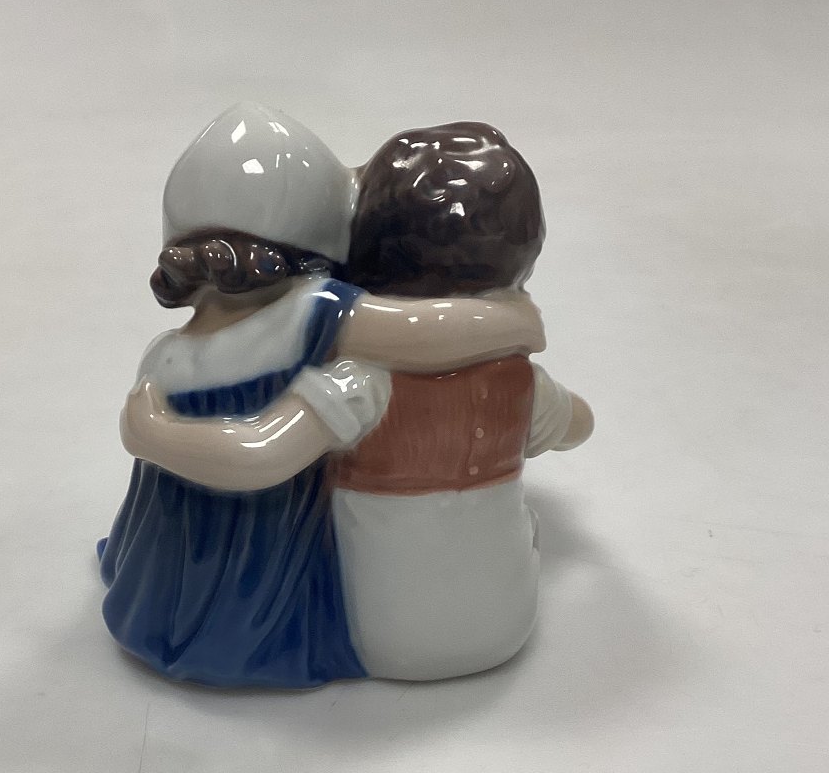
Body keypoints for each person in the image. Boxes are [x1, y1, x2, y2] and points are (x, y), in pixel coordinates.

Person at [123, 121, 592, 681]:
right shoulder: (322, 319)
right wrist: (516, 321)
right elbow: (569, 418)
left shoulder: (185, 359)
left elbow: (263, 453)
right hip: (498, 621)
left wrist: (151, 434)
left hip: (364, 630)